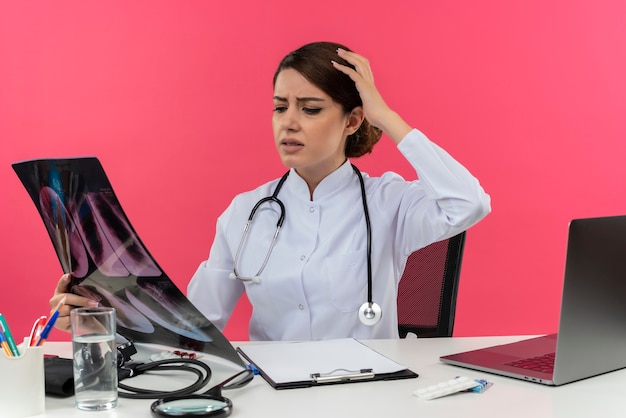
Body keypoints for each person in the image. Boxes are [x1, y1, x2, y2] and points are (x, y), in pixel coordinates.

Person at [50, 41, 491, 340]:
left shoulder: (389, 202)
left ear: (353, 120)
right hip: (272, 397)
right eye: (280, 107)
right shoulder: (246, 213)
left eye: (310, 108)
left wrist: (386, 115)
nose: (289, 122)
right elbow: (197, 327)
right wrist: (105, 320)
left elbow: (468, 202)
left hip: (366, 392)